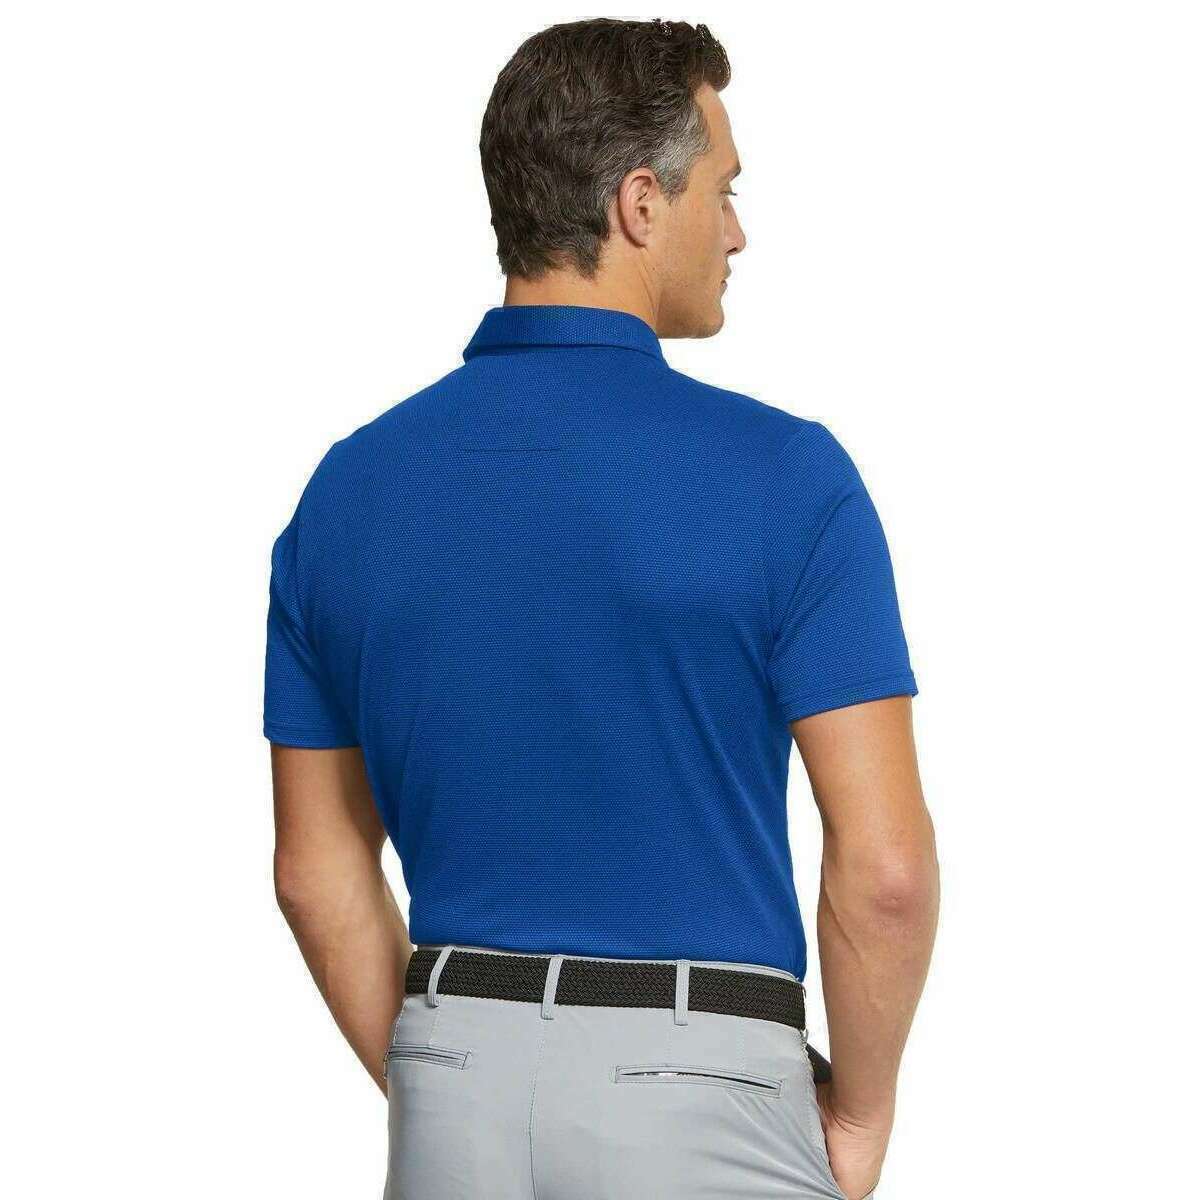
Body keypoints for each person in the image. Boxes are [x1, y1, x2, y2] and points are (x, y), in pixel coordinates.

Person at [263, 18, 939, 1200]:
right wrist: (863, 1116)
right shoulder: (787, 478)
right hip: (705, 1089)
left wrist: (448, 1083)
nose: (737, 231)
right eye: (724, 191)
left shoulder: (344, 492)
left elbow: (315, 874)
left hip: (454, 1078)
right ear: (640, 202)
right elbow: (884, 873)